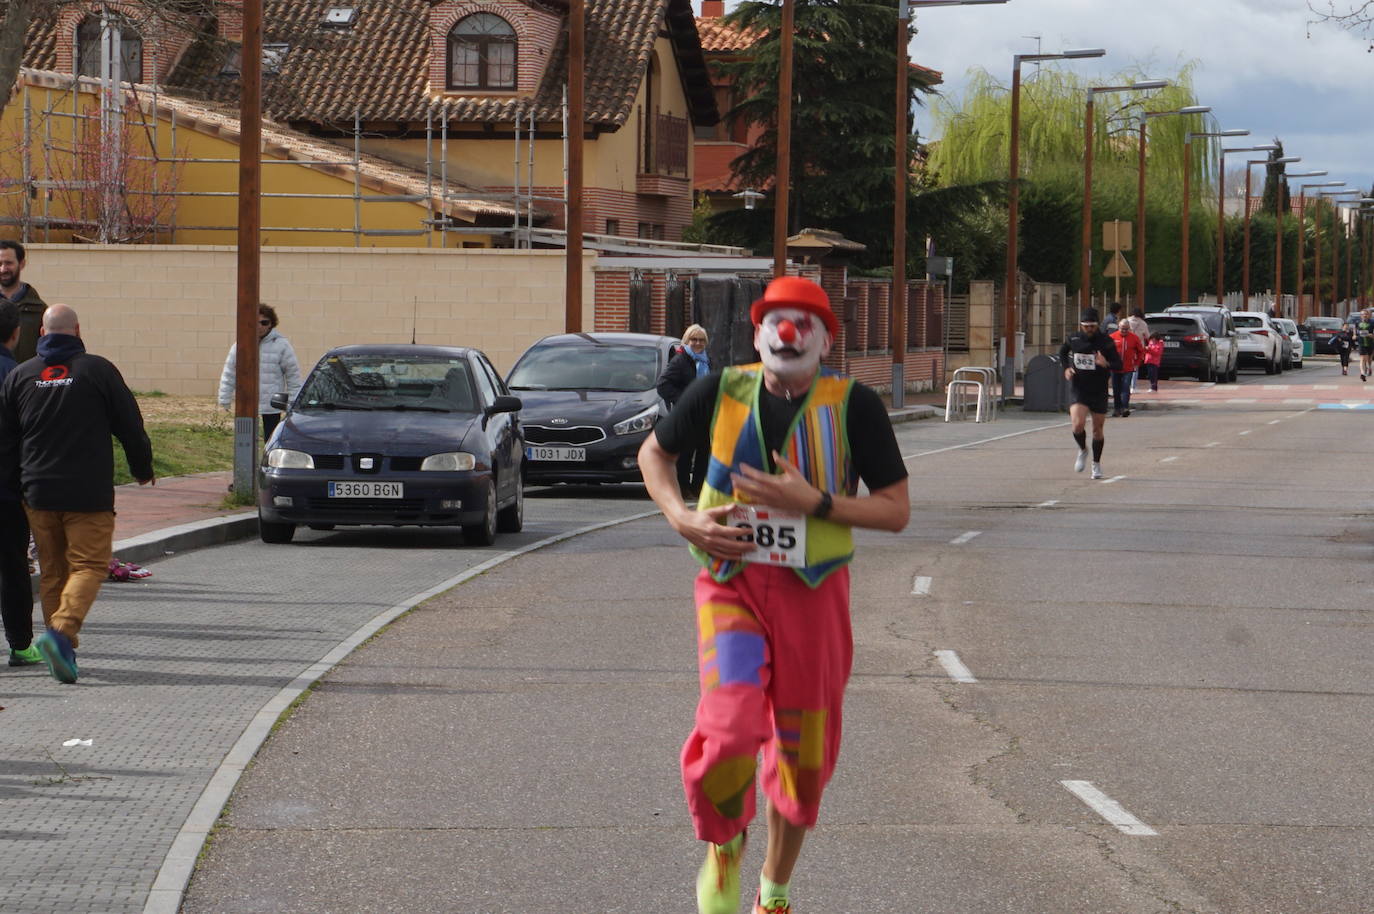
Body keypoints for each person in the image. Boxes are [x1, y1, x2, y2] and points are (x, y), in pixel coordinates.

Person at [638, 276, 910, 914]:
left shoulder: (854, 405)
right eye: (777, 321)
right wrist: (681, 516)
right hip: (730, 585)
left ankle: (774, 892)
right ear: (758, 332)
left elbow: (896, 510)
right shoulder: (718, 389)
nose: (788, 333)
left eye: (803, 322)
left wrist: (812, 501)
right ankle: (724, 846)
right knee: (728, 729)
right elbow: (655, 455)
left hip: (814, 596)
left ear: (823, 337)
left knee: (803, 756)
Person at [0, 304, 155, 684]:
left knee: (54, 573)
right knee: (88, 566)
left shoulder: (21, 375)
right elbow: (129, 425)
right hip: (87, 493)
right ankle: (61, 632)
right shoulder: (98, 370)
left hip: (36, 492)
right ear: (79, 330)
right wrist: (142, 468)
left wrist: (13, 486)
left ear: (40, 333)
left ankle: (63, 653)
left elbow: (6, 439)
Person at [0, 302, 40, 667]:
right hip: (8, 491)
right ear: (15, 335)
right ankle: (20, 644)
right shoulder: (18, 377)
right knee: (12, 568)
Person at [217, 303, 303, 440]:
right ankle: (246, 461)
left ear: (271, 324)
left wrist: (293, 401)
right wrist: (224, 397)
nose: (260, 326)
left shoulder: (282, 345)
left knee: (271, 439)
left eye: (264, 322)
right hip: (247, 401)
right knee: (245, 438)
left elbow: (293, 375)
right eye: (255, 322)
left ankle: (268, 460)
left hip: (272, 403)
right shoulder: (240, 344)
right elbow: (229, 372)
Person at [1060, 308, 1122, 480]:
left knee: (1097, 430)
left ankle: (1096, 464)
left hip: (1099, 390)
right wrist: (1066, 368)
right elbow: (1062, 352)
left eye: (1092, 326)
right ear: (1081, 325)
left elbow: (1119, 364)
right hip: (1079, 387)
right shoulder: (1074, 339)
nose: (1089, 329)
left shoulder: (1106, 342)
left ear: (1097, 325)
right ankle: (1083, 449)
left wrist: (1106, 363)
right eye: (1086, 326)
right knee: (1077, 425)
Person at [657, 324, 712, 496]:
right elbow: (663, 385)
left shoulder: (706, 360)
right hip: (687, 416)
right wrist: (685, 401)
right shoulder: (680, 361)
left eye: (701, 340)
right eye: (693, 339)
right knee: (685, 454)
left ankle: (698, 487)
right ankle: (683, 487)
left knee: (704, 453)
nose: (697, 343)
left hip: (704, 415)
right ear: (686, 341)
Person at [0, 240, 46, 363]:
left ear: (22, 264)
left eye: (8, 263)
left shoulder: (40, 310)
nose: (3, 269)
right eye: (0, 263)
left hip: (25, 379)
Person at [1110, 320, 1143, 417]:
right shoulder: (1112, 337)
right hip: (1115, 368)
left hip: (1128, 368)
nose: (1124, 331)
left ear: (1129, 329)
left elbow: (1141, 352)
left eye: (1126, 329)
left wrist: (1137, 363)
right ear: (1118, 327)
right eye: (1122, 329)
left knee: (1125, 387)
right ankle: (1117, 409)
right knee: (1116, 389)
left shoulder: (1134, 338)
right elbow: (1106, 351)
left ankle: (1124, 407)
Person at [1355, 308, 1374, 382]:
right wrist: (1354, 335)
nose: (1364, 316)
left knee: (1369, 358)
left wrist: (1370, 335)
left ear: (1368, 315)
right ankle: (1362, 373)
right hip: (1361, 343)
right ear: (1361, 316)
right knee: (1362, 358)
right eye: (1363, 314)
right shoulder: (1357, 322)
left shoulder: (1372, 323)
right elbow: (1355, 331)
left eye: (1366, 314)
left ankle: (1369, 367)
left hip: (1370, 343)